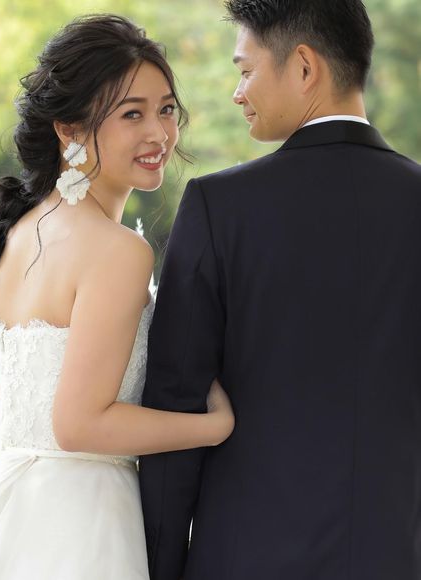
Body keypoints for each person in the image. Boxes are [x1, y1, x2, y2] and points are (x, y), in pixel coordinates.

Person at [0, 14, 234, 580]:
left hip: (7, 518)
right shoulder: (117, 251)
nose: (159, 133)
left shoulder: (15, 235)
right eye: (131, 114)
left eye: (166, 109)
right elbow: (79, 425)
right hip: (86, 529)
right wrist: (213, 427)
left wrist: (39, 473)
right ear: (69, 130)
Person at [139, 1, 421, 579]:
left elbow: (176, 401)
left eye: (246, 70)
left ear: (304, 67)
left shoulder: (219, 208)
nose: (237, 93)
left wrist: (161, 568)